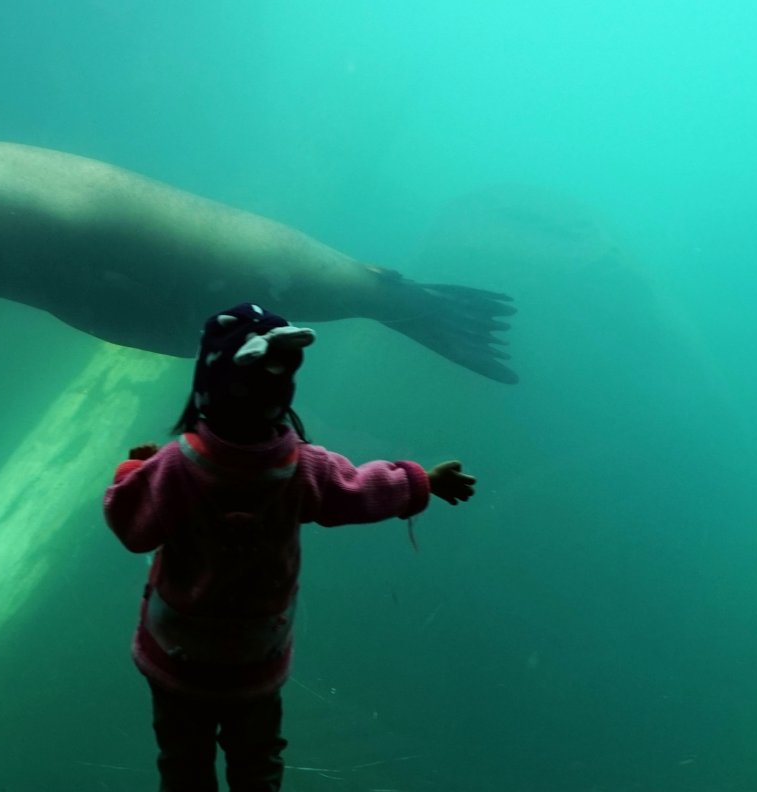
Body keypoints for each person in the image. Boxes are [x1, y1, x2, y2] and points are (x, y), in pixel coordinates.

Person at [103, 302, 477, 792]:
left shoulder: (175, 467)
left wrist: (132, 473)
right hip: (255, 652)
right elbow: (360, 491)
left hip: (179, 650)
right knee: (257, 758)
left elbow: (132, 528)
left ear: (207, 387)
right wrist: (422, 481)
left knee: (183, 759)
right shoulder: (303, 468)